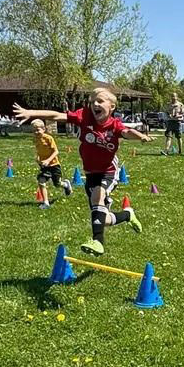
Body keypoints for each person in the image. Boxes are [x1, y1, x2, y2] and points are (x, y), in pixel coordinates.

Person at [14, 87, 153, 256]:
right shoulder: (84, 115)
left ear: (112, 107)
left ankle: (98, 242)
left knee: (97, 197)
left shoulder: (114, 125)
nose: (95, 104)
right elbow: (57, 116)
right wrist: (31, 113)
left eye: (100, 101)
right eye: (92, 101)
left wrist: (140, 136)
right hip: (90, 173)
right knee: (103, 218)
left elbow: (127, 132)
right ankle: (127, 215)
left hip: (108, 171)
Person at [30, 119, 73, 209]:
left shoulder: (49, 138)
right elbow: (38, 150)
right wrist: (38, 158)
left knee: (57, 184)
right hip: (44, 166)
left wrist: (48, 160)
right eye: (34, 130)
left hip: (54, 165)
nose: (36, 132)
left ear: (44, 129)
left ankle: (66, 185)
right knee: (41, 181)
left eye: (38, 130)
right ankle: (46, 203)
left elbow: (56, 151)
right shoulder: (35, 139)